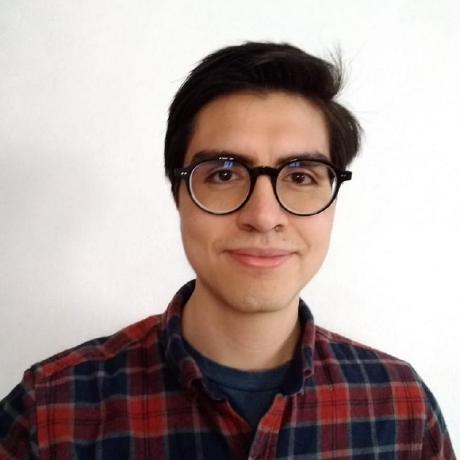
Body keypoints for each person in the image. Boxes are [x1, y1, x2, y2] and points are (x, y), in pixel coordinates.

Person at [0, 42, 455, 459]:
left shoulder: (403, 409)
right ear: (178, 194)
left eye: (300, 176)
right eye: (223, 173)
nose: (264, 215)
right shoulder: (50, 411)